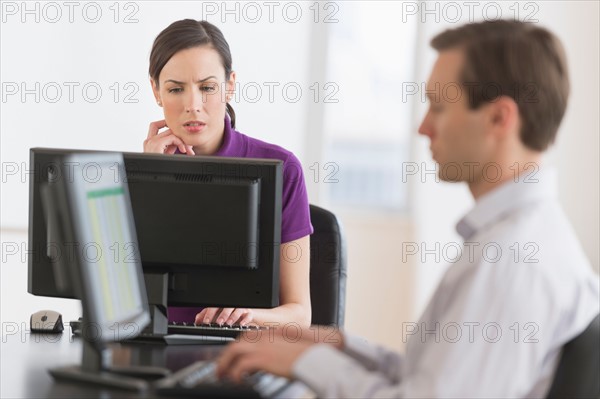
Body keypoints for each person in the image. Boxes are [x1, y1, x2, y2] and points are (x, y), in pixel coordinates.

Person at [216, 19, 600, 397]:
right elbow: (429, 378)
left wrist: (304, 363)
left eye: (438, 106)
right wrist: (333, 345)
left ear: (499, 118)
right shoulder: (524, 237)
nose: (423, 127)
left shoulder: (509, 260)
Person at [143, 19, 313, 328]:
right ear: (156, 91)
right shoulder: (136, 174)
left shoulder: (283, 169)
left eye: (207, 87)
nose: (193, 105)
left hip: (244, 354)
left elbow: (299, 316)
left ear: (229, 85)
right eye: (175, 89)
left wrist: (243, 316)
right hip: (156, 356)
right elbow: (120, 303)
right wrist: (148, 181)